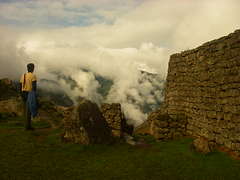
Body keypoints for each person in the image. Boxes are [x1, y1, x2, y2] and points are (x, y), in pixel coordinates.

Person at [20, 63, 37, 130]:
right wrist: (34, 95)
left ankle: (26, 126)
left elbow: (20, 85)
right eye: (33, 67)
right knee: (29, 111)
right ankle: (28, 126)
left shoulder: (23, 76)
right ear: (32, 68)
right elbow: (34, 86)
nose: (33, 69)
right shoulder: (33, 76)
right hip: (30, 94)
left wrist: (21, 94)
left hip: (23, 93)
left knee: (25, 111)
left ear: (27, 68)